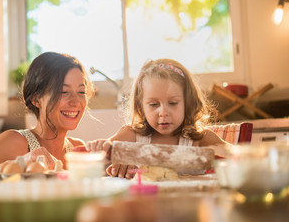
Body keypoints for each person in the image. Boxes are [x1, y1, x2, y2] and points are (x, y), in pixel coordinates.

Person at [87, 58, 230, 179]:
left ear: (188, 102)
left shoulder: (200, 139)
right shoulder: (131, 136)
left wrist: (218, 159)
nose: (163, 112)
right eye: (154, 104)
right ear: (141, 105)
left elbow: (239, 157)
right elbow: (100, 157)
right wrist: (101, 149)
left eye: (173, 103)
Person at [0, 52, 95, 170]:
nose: (75, 101)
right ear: (36, 99)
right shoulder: (15, 142)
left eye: (81, 92)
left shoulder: (77, 148)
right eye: (63, 92)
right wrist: (20, 163)